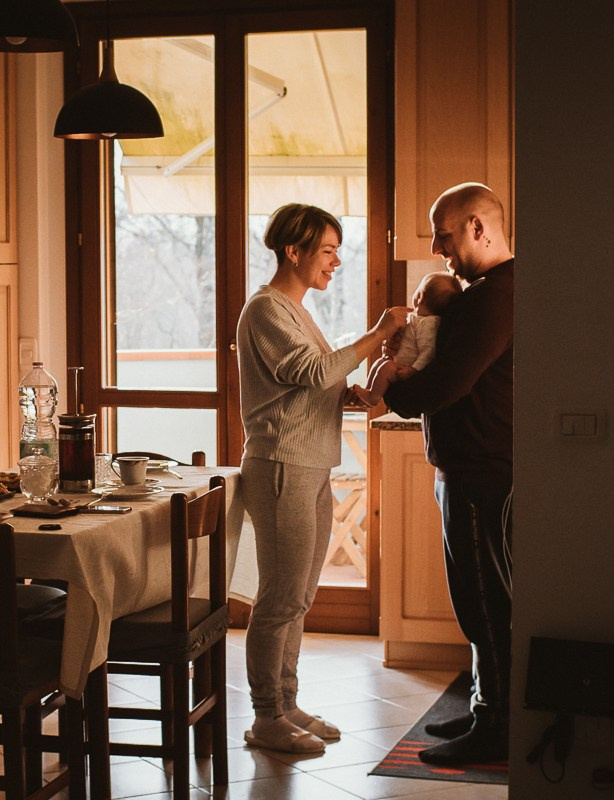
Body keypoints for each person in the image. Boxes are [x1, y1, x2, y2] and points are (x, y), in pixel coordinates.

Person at [236, 202, 408, 754]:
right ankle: (266, 717)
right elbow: (310, 372)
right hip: (281, 467)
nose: (336, 261)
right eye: (328, 250)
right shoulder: (266, 309)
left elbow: (308, 384)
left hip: (309, 466)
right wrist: (378, 334)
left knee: (299, 598)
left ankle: (287, 704)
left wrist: (344, 394)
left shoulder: (296, 311)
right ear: (295, 251)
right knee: (279, 599)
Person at [383, 182, 514, 765]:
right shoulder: (483, 294)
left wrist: (396, 391)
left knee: (485, 601)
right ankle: (486, 704)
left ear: (478, 227)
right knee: (477, 598)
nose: (437, 248)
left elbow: (449, 383)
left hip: (483, 471)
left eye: (444, 234)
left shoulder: (494, 296)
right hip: (470, 467)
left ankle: (497, 727)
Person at [356, 271, 462, 407]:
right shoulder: (419, 320)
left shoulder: (429, 323)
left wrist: (414, 370)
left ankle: (373, 397)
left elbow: (428, 351)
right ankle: (369, 391)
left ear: (420, 297)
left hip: (407, 368)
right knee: (380, 363)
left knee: (386, 367)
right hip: (400, 363)